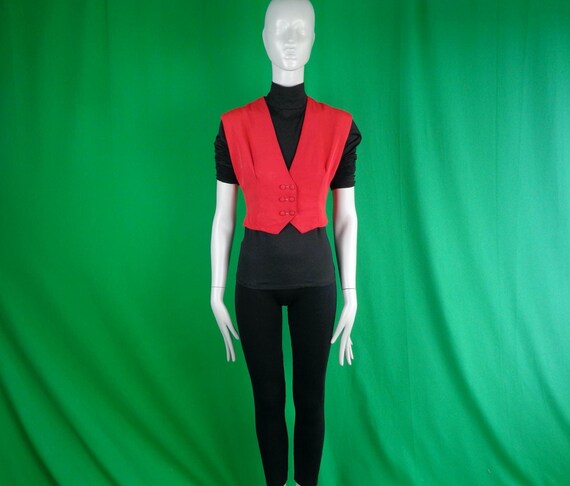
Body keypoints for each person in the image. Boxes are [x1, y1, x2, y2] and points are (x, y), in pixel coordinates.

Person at [210, 1, 360, 484]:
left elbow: (346, 217)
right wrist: (215, 291)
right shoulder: (233, 126)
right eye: (280, 28)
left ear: (314, 39)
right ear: (263, 37)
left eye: (301, 29)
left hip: (317, 281)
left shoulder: (340, 127)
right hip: (254, 282)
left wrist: (352, 293)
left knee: (311, 400)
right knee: (268, 400)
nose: (291, 39)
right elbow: (223, 217)